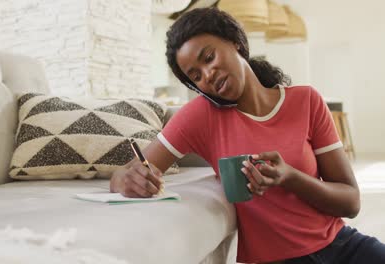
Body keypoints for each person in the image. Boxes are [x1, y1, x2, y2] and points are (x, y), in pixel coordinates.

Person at [109, 7, 385, 264]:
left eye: (209, 57)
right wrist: (126, 179)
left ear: (235, 43)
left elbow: (351, 202)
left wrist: (290, 177)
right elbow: (130, 172)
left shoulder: (307, 101)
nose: (207, 74)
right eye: (195, 76)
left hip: (343, 246)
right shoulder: (201, 117)